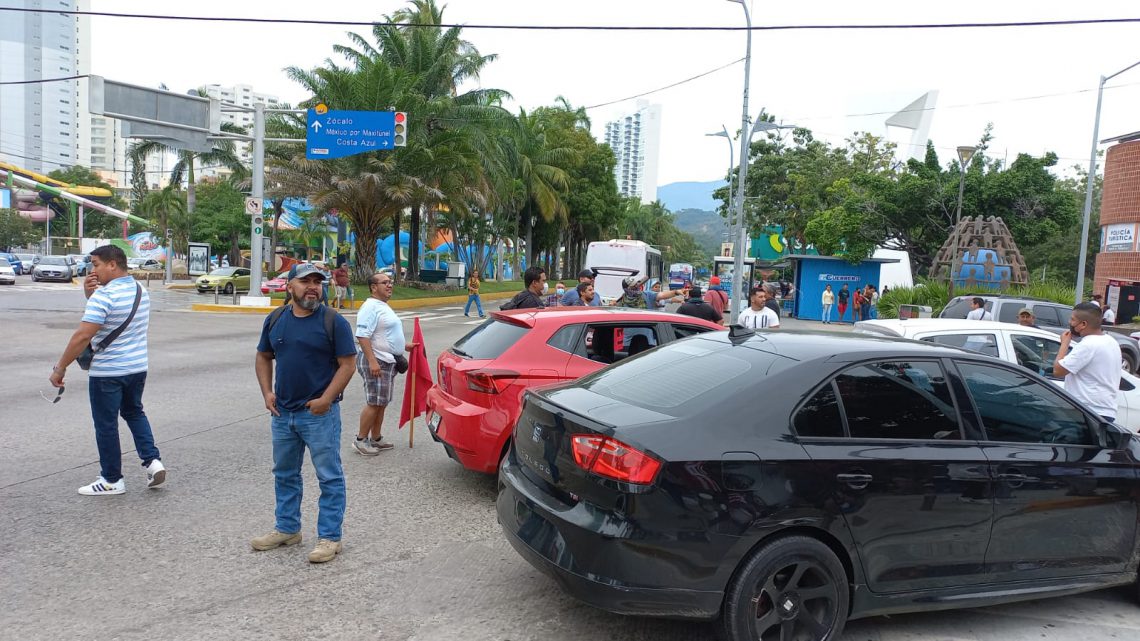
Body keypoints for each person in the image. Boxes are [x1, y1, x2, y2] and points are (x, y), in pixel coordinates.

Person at [253, 263, 357, 563]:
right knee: (284, 473)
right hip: (283, 413)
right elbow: (263, 356)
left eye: (317, 281)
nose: (312, 286)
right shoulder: (275, 319)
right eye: (305, 281)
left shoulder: (332, 321)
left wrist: (326, 398)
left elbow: (348, 364)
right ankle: (287, 528)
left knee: (329, 476)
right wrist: (267, 392)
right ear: (289, 286)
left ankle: (330, 537)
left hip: (319, 415)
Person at [49, 244, 164, 496]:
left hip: (108, 373)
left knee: (106, 425)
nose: (93, 270)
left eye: (96, 264)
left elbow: (82, 337)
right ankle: (153, 462)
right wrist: (91, 297)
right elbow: (116, 319)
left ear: (112, 264)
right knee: (134, 413)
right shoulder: (140, 291)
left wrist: (60, 368)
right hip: (136, 368)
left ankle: (112, 480)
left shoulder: (105, 296)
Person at [354, 271, 414, 456]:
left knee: (382, 403)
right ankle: (360, 440)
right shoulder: (370, 307)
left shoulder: (382, 306)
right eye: (384, 282)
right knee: (374, 403)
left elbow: (382, 335)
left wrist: (403, 346)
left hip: (387, 361)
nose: (389, 285)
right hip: (377, 361)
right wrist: (372, 362)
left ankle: (376, 438)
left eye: (390, 282)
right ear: (373, 287)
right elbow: (363, 335)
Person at [1054, 302, 1122, 423]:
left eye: (1072, 319)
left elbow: (1058, 371)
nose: (1070, 322)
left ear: (1083, 324)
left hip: (1086, 411)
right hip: (1105, 411)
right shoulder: (1111, 341)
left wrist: (1065, 343)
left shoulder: (1088, 344)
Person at [613, 275, 686, 308]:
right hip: (629, 337)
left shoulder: (647, 295)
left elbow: (663, 295)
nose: (636, 287)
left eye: (636, 284)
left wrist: (676, 292)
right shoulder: (622, 301)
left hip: (647, 334)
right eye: (633, 286)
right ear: (627, 289)